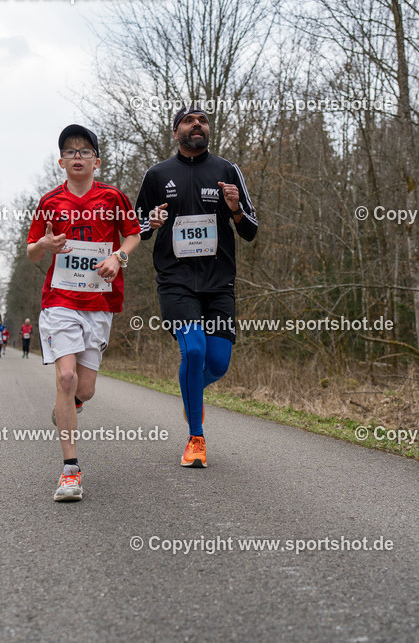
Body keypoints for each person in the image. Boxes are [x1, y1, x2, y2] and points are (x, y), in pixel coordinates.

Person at [134, 106, 257, 468]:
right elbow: (135, 227)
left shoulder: (227, 170)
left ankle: (190, 392)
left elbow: (249, 230)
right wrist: (151, 222)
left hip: (219, 282)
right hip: (176, 281)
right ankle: (196, 438)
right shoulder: (158, 174)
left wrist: (235, 208)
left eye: (203, 120)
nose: (197, 125)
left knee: (217, 364)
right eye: (189, 121)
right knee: (194, 351)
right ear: (176, 132)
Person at [27, 124, 140, 501]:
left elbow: (133, 234)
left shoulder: (113, 197)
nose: (77, 156)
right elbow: (31, 251)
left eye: (84, 150)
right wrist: (44, 243)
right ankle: (70, 472)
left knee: (84, 389)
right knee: (66, 376)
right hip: (59, 300)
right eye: (70, 151)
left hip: (99, 302)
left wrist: (118, 256)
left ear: (97, 160)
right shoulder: (49, 202)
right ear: (61, 161)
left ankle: (70, 405)